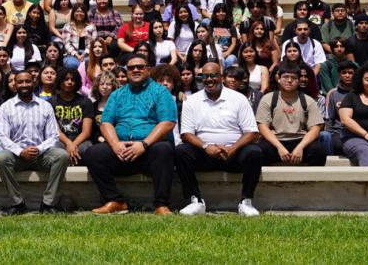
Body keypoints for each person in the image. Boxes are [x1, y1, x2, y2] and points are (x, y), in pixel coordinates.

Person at [83, 53, 177, 215]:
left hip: (150, 151)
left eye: (140, 67)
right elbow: (106, 122)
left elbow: (167, 122)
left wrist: (144, 144)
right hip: (122, 151)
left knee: (164, 149)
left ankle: (161, 205)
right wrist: (115, 144)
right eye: (131, 67)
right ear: (126, 71)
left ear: (148, 69)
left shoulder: (161, 92)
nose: (135, 70)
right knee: (93, 153)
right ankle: (115, 200)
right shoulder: (117, 94)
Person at [173, 62, 264, 217]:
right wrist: (206, 147)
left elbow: (251, 132)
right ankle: (196, 201)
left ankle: (246, 202)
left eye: (214, 75)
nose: (209, 79)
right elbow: (186, 134)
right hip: (204, 154)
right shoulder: (192, 101)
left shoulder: (238, 99)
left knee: (254, 152)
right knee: (182, 151)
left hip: (233, 154)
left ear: (221, 77)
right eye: (205, 76)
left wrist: (233, 148)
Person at [0, 69, 70, 215]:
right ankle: (18, 204)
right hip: (17, 156)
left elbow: (53, 135)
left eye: (27, 81)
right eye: (20, 81)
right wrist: (20, 151)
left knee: (62, 156)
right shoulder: (6, 107)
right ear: (15, 84)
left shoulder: (45, 106)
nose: (24, 84)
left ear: (33, 83)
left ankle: (48, 204)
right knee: (1, 158)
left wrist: (38, 149)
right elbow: (1, 135)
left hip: (41, 155)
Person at [255, 64, 327, 166]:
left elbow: (315, 128)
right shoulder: (268, 98)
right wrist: (279, 147)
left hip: (300, 140)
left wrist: (300, 147)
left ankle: (311, 181)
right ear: (278, 79)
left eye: (293, 78)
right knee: (259, 151)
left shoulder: (308, 100)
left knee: (318, 151)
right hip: (275, 141)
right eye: (285, 77)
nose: (289, 81)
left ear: (298, 81)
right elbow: (262, 126)